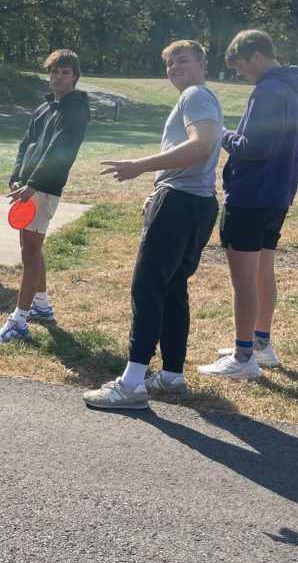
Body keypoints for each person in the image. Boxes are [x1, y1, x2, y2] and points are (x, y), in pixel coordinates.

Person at [82, 40, 223, 409]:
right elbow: (196, 153)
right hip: (196, 202)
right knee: (173, 288)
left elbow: (203, 145)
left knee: (147, 289)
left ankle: (131, 384)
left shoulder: (195, 95)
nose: (174, 67)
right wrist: (157, 184)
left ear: (201, 64)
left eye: (183, 60)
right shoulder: (199, 96)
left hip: (180, 203)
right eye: (169, 62)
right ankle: (172, 375)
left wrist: (140, 165)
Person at [197, 29, 298, 380]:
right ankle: (261, 345)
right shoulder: (297, 90)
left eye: (241, 66)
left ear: (257, 57)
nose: (240, 73)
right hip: (278, 196)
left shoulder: (267, 91)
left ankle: (243, 355)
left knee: (243, 279)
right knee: (263, 269)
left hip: (250, 196)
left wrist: (221, 133)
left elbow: (254, 146)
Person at [0, 50, 90, 345]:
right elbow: (26, 143)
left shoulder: (75, 110)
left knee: (30, 252)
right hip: (28, 186)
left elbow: (60, 150)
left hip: (45, 188)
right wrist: (16, 177)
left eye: (65, 72)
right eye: (55, 71)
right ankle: (41, 306)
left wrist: (33, 184)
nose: (59, 77)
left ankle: (18, 321)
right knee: (30, 246)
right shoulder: (45, 107)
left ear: (75, 76)